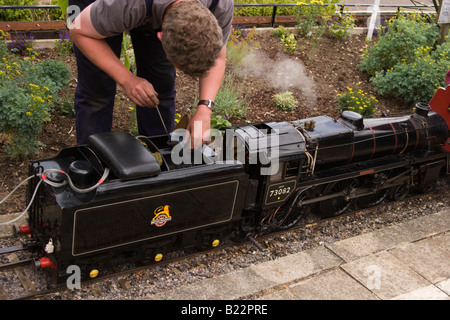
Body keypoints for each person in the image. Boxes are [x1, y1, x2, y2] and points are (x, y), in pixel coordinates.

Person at [68, 0, 234, 148]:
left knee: (159, 87)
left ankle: (159, 155)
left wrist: (205, 109)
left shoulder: (220, 4)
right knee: (97, 92)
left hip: (152, 8)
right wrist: (127, 79)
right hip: (96, 9)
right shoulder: (126, 5)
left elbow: (218, 56)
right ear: (160, 36)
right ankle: (93, 166)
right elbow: (78, 30)